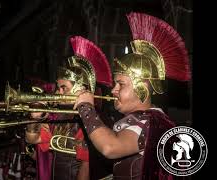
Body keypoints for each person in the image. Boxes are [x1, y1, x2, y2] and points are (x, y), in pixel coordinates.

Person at [74, 12, 191, 179]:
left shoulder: (149, 121)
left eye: (120, 84)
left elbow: (110, 147)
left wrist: (86, 107)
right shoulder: (145, 119)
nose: (113, 90)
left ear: (141, 88)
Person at [25, 36, 113, 180]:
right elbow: (33, 139)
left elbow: (86, 166)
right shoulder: (59, 117)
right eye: (58, 88)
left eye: (63, 88)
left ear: (81, 89)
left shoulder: (88, 120)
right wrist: (34, 118)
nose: (58, 92)